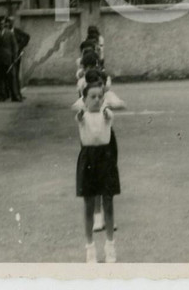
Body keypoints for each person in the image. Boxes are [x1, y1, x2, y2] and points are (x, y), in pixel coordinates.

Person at [75, 76, 120, 263]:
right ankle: (90, 247)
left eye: (99, 97)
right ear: (84, 100)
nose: (96, 100)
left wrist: (106, 106)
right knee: (89, 205)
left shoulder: (106, 115)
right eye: (91, 97)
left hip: (105, 159)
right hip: (88, 160)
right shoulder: (82, 116)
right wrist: (81, 108)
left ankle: (110, 245)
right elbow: (78, 113)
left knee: (108, 202)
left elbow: (109, 114)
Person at [0, 17, 18, 102]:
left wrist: (14, 57)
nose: (1, 25)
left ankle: (14, 96)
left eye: (2, 24)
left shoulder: (9, 33)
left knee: (12, 77)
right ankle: (2, 96)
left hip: (8, 58)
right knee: (0, 78)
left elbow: (14, 46)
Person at [7, 17, 30, 101]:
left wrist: (20, 46)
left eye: (11, 22)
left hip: (16, 56)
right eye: (8, 22)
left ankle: (17, 94)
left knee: (15, 75)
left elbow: (27, 36)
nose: (9, 24)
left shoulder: (17, 31)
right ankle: (12, 94)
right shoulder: (6, 32)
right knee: (11, 76)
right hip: (8, 56)